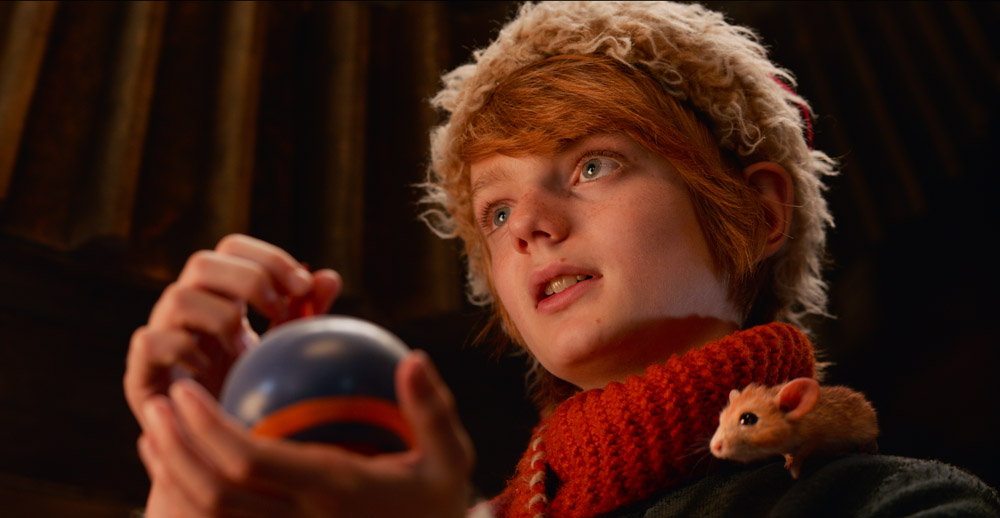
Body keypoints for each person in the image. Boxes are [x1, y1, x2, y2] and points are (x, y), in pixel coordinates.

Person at [124, 2, 1000, 517]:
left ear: (761, 210)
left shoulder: (898, 505)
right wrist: (195, 481)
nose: (528, 228)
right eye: (496, 208)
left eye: (592, 165)